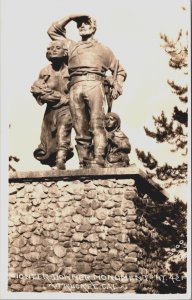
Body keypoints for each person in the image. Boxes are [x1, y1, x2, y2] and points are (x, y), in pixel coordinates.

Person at [47, 14, 127, 168]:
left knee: (97, 124)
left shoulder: (104, 50)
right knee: (80, 128)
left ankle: (98, 159)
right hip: (75, 86)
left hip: (95, 84)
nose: (81, 27)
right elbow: (53, 31)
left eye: (85, 24)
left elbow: (120, 71)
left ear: (93, 27)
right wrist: (72, 16)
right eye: (79, 25)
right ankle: (83, 162)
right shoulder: (71, 46)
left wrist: (117, 83)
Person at [31, 40, 73, 169]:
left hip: (67, 107)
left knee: (62, 131)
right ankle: (54, 163)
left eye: (58, 48)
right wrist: (46, 96)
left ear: (65, 52)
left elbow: (78, 90)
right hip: (50, 111)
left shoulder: (71, 71)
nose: (53, 50)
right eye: (51, 48)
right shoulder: (45, 71)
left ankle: (61, 160)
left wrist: (67, 98)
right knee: (49, 140)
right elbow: (37, 90)